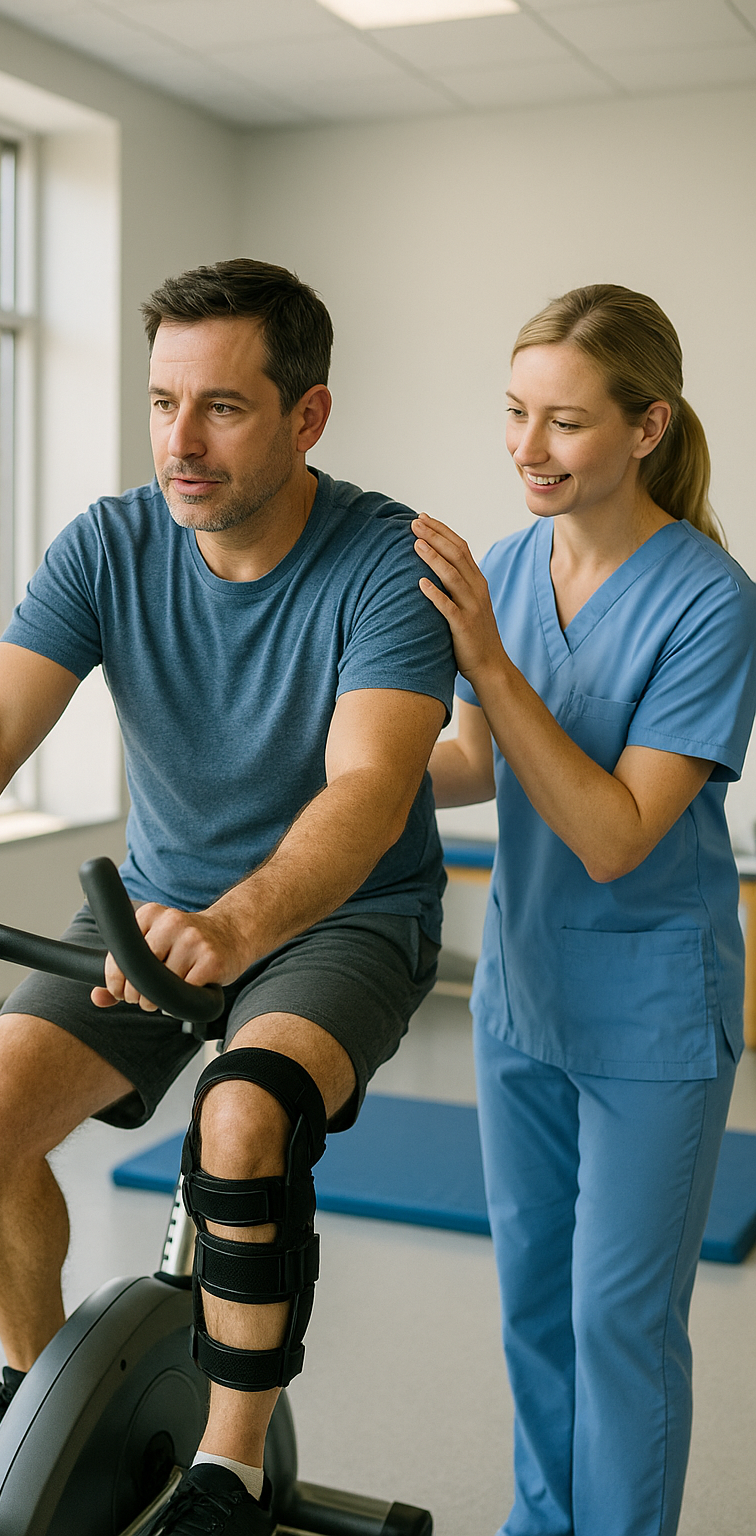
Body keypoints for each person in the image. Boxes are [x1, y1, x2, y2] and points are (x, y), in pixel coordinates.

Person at [0, 259, 455, 1534]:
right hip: (150, 904)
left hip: (342, 915)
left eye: (222, 409)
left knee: (241, 1130)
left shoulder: (383, 563)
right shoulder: (111, 541)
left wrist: (243, 924)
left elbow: (369, 790)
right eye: (160, 404)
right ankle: (39, 1390)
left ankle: (231, 1469)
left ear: (307, 416)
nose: (178, 445)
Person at [413, 284, 756, 1536]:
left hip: (652, 1015)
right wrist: (345, 763)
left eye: (563, 422)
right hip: (522, 994)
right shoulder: (504, 566)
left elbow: (614, 836)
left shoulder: (711, 601)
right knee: (533, 1301)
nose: (526, 448)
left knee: (619, 1320)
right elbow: (469, 764)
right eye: (514, 414)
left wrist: (491, 667)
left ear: (646, 426)